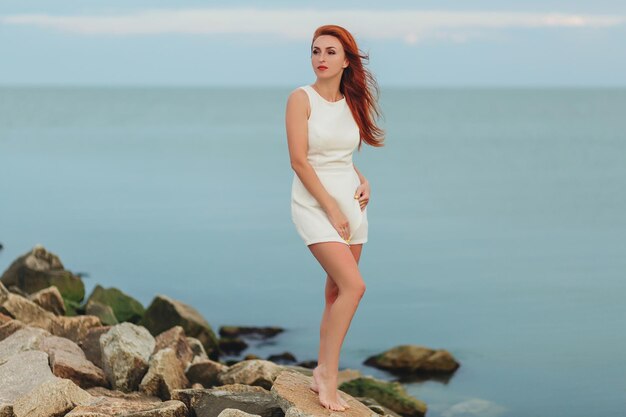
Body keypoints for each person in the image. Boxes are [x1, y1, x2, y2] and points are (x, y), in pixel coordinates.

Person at [285, 25, 385, 411]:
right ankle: (329, 375)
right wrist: (330, 207)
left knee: (335, 292)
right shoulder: (300, 99)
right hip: (315, 206)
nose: (321, 59)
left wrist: (364, 181)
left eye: (330, 52)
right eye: (315, 51)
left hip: (353, 205)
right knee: (354, 287)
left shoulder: (351, 101)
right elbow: (300, 160)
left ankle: (320, 371)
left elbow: (343, 156)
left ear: (346, 61)